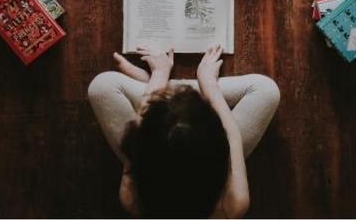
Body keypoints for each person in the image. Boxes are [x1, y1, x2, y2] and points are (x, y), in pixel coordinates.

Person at [88, 44, 280, 218]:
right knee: (266, 90)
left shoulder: (132, 197)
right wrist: (208, 83)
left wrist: (159, 76)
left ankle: (161, 90)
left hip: (158, 147)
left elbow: (140, 130)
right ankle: (173, 92)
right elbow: (233, 137)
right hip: (207, 153)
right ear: (219, 148)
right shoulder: (232, 203)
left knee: (101, 87)